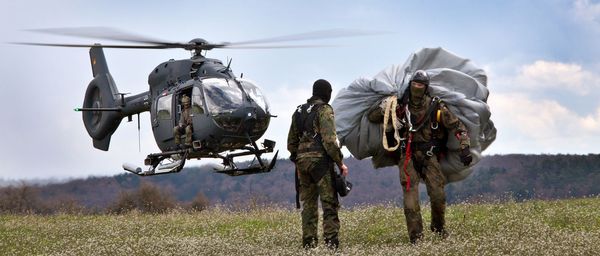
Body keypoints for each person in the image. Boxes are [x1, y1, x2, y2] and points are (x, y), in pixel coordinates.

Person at [368, 70, 472, 244]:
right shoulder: (399, 105)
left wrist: (464, 147)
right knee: (410, 203)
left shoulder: (436, 107)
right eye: (415, 84)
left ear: (426, 88)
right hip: (406, 156)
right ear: (410, 85)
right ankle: (416, 238)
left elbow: (458, 126)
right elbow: (372, 117)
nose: (417, 87)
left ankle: (438, 228)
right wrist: (384, 108)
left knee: (438, 196)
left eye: (421, 85)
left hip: (429, 157)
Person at [287, 79, 349, 249]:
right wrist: (340, 162)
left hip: (302, 163)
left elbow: (291, 143)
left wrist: (298, 159)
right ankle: (331, 243)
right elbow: (330, 141)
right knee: (329, 204)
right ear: (326, 93)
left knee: (309, 205)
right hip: (321, 163)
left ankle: (309, 243)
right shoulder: (325, 110)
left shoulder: (299, 111)